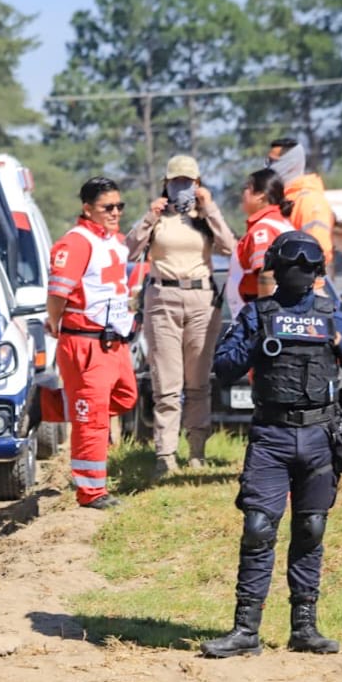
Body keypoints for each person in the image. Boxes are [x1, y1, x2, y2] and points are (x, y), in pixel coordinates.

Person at [203, 231, 342, 659]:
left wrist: (336, 340)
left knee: (311, 528)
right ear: (275, 270)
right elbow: (222, 367)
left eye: (306, 266)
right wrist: (258, 343)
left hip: (320, 436)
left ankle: (305, 628)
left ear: (316, 272)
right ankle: (246, 630)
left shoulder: (333, 313)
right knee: (259, 528)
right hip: (272, 436)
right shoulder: (258, 314)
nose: (298, 272)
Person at [126, 155, 236, 476]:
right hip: (163, 298)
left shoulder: (204, 219)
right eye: (176, 182)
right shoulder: (158, 218)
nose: (182, 188)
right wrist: (150, 215)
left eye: (188, 182)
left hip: (202, 298)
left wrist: (210, 208)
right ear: (166, 183)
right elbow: (130, 250)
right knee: (167, 383)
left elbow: (231, 247)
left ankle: (197, 452)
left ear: (199, 184)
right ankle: (166, 454)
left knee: (199, 382)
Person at [46, 177, 139, 509]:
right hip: (86, 342)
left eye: (119, 206)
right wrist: (55, 322)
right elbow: (58, 292)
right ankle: (91, 492)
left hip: (115, 343)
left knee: (126, 397)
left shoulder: (112, 241)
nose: (116, 212)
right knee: (93, 417)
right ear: (88, 209)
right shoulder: (76, 242)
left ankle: (48, 405)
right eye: (107, 207)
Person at [225, 169, 294, 317]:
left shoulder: (263, 230)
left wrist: (266, 320)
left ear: (260, 196)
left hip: (260, 317)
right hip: (283, 314)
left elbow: (267, 275)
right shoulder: (282, 224)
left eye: (247, 188)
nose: (243, 194)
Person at [267, 138, 334, 265]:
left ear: (291, 164)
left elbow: (318, 251)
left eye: (272, 161)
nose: (268, 167)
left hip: (303, 281)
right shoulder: (281, 198)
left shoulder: (309, 202)